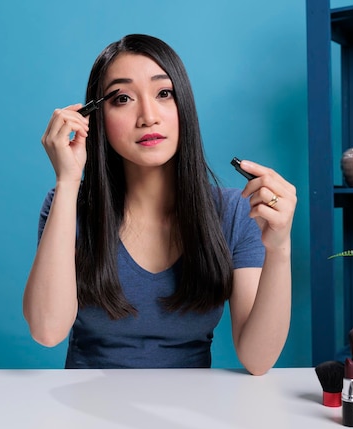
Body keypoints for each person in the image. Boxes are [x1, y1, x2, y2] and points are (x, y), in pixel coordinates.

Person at [23, 34, 296, 374]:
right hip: (85, 413)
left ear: (185, 106)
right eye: (122, 98)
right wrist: (67, 183)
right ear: (95, 117)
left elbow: (258, 360)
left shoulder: (235, 211)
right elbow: (47, 331)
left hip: (192, 413)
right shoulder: (67, 206)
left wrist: (280, 248)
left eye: (164, 93)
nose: (148, 116)